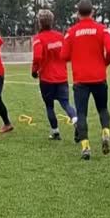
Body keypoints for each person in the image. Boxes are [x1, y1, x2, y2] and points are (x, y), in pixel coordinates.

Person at [61, 0, 110, 161]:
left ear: (78, 14)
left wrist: (76, 54)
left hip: (81, 80)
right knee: (103, 109)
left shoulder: (71, 32)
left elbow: (63, 56)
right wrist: (104, 63)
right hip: (99, 77)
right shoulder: (102, 29)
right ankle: (105, 132)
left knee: (82, 113)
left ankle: (85, 147)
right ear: (93, 12)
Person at [31, 9, 78, 141]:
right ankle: (76, 120)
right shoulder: (60, 36)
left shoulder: (38, 39)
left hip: (47, 78)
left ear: (40, 23)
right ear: (52, 22)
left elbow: (37, 56)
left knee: (49, 106)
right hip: (62, 77)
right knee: (66, 103)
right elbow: (68, 54)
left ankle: (55, 132)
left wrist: (34, 70)